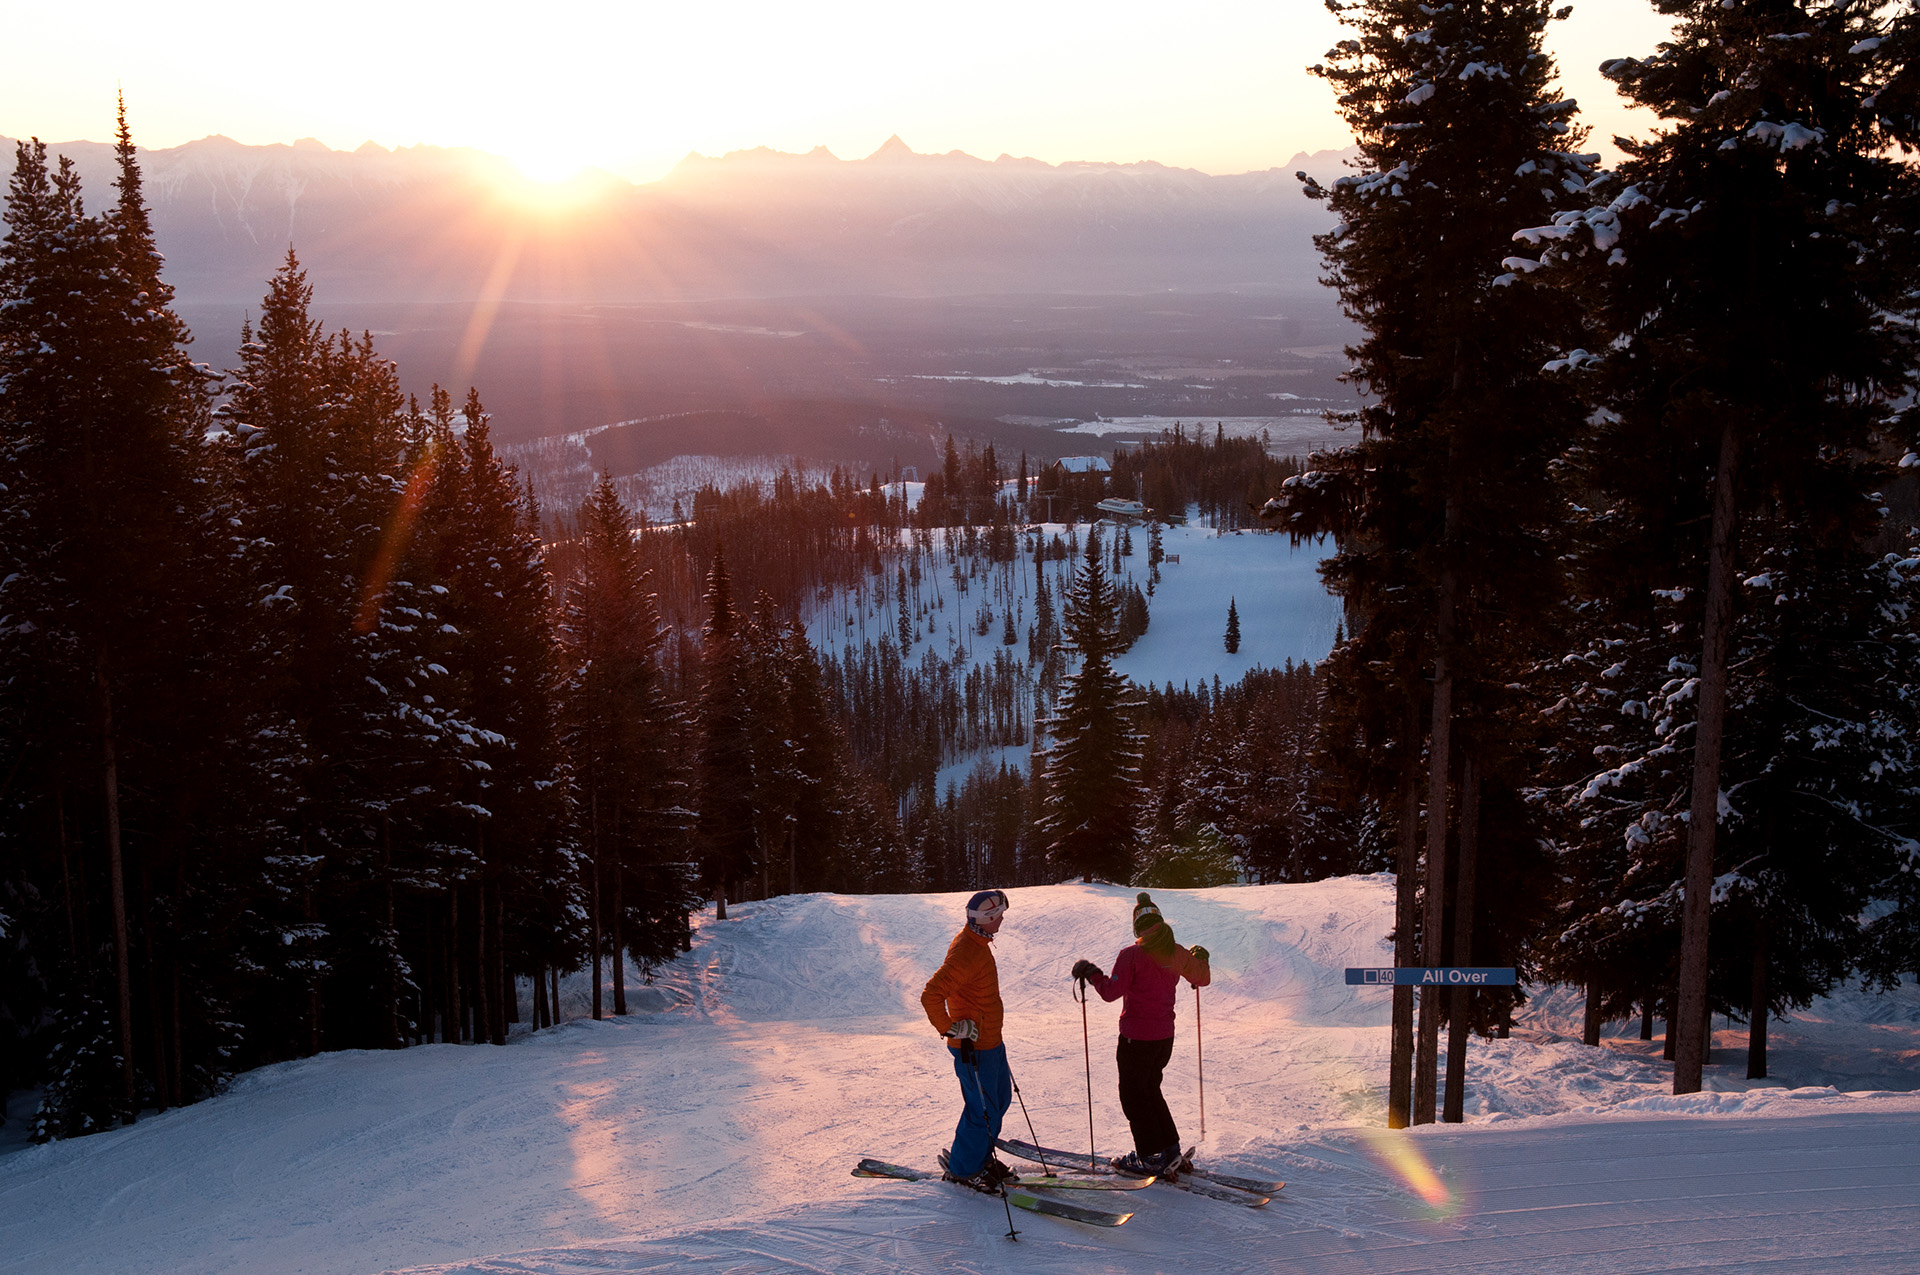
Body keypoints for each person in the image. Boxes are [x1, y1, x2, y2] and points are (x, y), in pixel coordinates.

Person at [1072, 891, 1211, 1176]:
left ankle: (1150, 1156)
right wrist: (1201, 958)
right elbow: (1202, 978)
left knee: (1134, 1096)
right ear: (1159, 922)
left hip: (1136, 1039)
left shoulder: (1133, 954)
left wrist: (1092, 973)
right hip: (1164, 1039)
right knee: (1150, 1090)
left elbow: (1111, 993)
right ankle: (1169, 1149)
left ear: (1138, 928)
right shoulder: (1177, 951)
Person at [921, 888, 1017, 1192]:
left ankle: (979, 1157)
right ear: (987, 919)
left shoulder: (978, 942)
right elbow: (931, 994)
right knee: (983, 1110)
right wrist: (951, 1028)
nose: (1002, 919)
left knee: (998, 1101)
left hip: (991, 1042)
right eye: (999, 915)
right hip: (974, 1049)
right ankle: (964, 1169)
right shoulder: (967, 951)